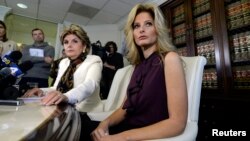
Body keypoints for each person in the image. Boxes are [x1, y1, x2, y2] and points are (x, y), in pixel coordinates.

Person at [80, 3, 188, 141]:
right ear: (133, 34)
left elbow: (177, 123)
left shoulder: (169, 58)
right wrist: (104, 123)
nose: (141, 29)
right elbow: (124, 109)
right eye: (136, 26)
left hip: (140, 136)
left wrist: (121, 138)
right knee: (76, 122)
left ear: (157, 29)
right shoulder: (137, 67)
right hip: (125, 129)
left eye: (148, 24)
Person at [22, 24, 103, 109]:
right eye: (66, 42)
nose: (69, 45)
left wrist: (66, 96)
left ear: (84, 46)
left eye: (75, 41)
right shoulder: (64, 62)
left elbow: (90, 85)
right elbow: (56, 88)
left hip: (87, 111)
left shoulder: (94, 60)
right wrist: (41, 90)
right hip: (65, 109)